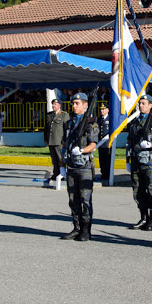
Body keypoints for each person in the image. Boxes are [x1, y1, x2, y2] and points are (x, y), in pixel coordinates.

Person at [60, 92, 99, 241]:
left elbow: (93, 145)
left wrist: (82, 150)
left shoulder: (91, 123)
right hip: (71, 166)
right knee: (73, 199)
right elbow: (65, 144)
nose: (74, 106)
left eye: (77, 103)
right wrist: (63, 165)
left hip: (84, 167)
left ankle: (86, 230)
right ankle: (76, 228)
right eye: (73, 103)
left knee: (85, 199)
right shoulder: (69, 123)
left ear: (85, 105)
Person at [126, 94, 152, 231]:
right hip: (136, 160)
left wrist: (150, 145)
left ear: (150, 105)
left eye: (143, 103)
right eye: (140, 103)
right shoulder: (135, 122)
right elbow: (129, 142)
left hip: (150, 162)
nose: (141, 106)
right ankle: (143, 217)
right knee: (138, 190)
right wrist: (128, 160)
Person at [44, 98, 70, 181]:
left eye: (55, 104)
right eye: (53, 104)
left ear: (59, 105)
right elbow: (46, 128)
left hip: (59, 141)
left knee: (60, 159)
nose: (53, 106)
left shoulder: (64, 115)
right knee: (54, 159)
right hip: (51, 140)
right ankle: (55, 173)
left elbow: (66, 129)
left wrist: (65, 140)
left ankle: (62, 174)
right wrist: (45, 139)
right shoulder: (49, 115)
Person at [97, 103, 111, 181]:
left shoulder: (110, 119)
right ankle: (103, 173)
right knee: (101, 159)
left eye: (103, 109)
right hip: (100, 143)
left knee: (107, 159)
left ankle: (108, 174)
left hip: (107, 143)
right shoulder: (99, 119)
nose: (102, 111)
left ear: (107, 110)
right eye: (101, 109)